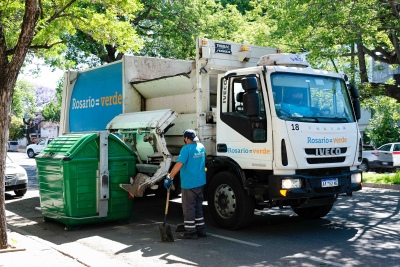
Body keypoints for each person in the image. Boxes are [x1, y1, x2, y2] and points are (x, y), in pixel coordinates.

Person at [164, 129, 207, 239]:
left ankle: (191, 231)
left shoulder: (186, 149)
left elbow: (179, 164)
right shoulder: (201, 147)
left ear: (186, 138)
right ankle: (201, 229)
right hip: (200, 181)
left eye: (185, 138)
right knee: (198, 207)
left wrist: (170, 176)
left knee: (189, 208)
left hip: (189, 183)